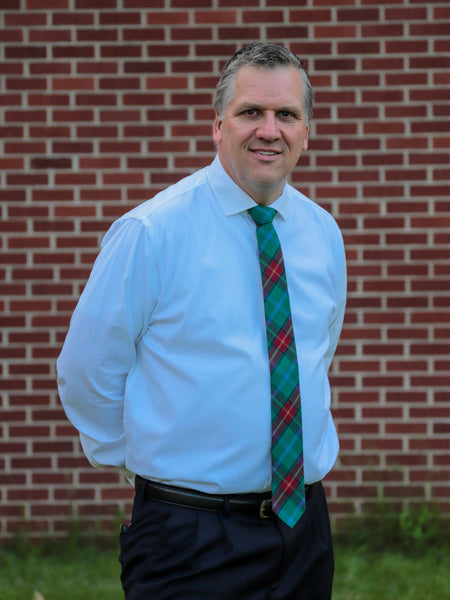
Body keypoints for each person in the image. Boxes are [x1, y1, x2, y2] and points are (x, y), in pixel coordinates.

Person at [57, 42, 346, 600]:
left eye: (285, 114)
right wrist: (148, 464)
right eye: (250, 113)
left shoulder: (322, 235)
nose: (269, 130)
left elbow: (313, 354)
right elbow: (86, 370)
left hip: (304, 529)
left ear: (306, 132)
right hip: (188, 540)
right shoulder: (152, 233)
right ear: (218, 125)